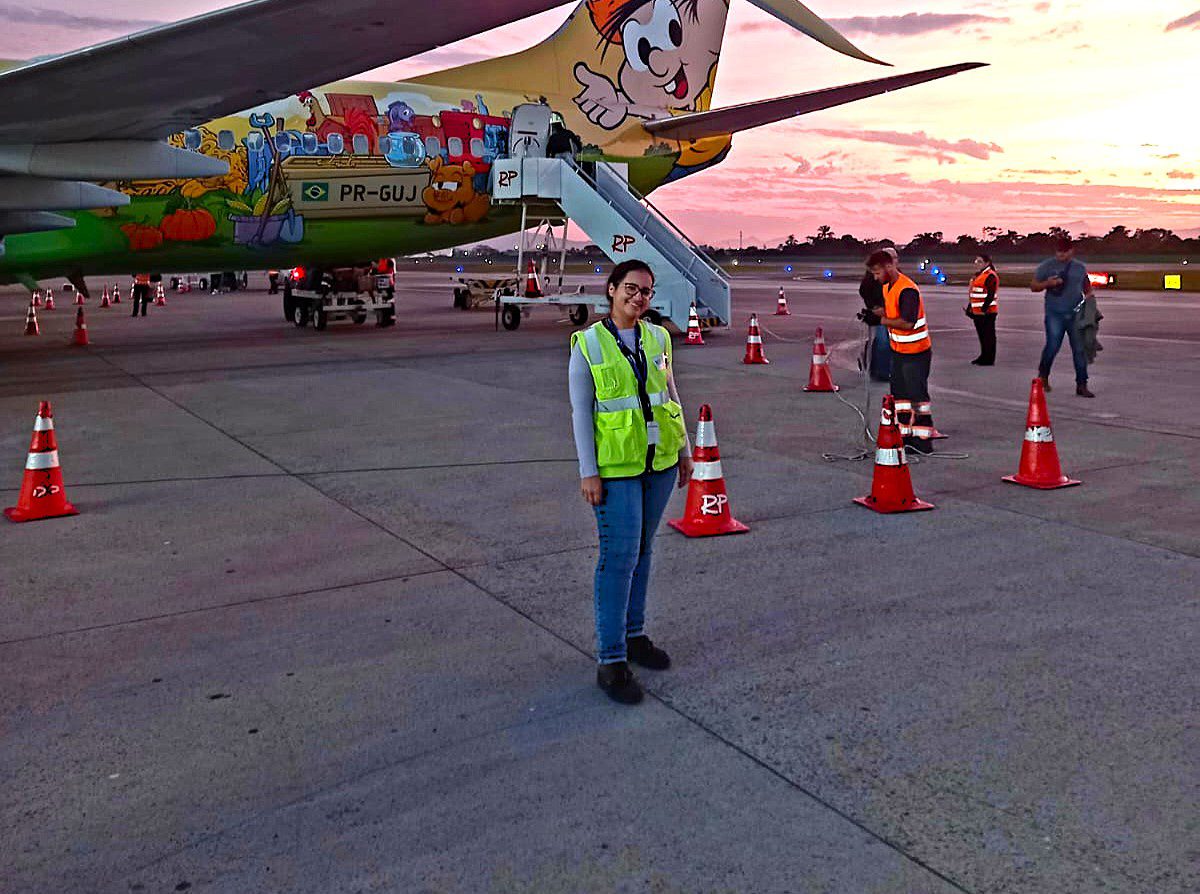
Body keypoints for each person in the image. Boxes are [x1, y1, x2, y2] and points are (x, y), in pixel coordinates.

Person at [569, 259, 692, 705]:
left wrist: (683, 452)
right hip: (616, 469)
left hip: (657, 464)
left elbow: (669, 394)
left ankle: (635, 636)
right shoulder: (588, 344)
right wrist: (589, 471)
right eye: (631, 289)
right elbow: (581, 412)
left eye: (646, 292)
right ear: (611, 290)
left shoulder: (658, 337)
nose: (639, 298)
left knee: (643, 551)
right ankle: (612, 657)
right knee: (618, 557)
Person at [867, 249, 935, 453]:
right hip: (899, 352)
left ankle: (923, 440)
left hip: (916, 353)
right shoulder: (889, 286)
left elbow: (907, 323)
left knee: (917, 398)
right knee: (901, 397)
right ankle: (905, 435)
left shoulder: (907, 289)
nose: (876, 277)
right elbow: (894, 313)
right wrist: (876, 313)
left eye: (878, 273)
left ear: (889, 267)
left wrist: (880, 320)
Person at [1031, 237, 1095, 397]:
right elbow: (1033, 286)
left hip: (1075, 314)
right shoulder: (1047, 266)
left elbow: (1087, 287)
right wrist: (1048, 284)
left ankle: (1082, 384)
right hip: (1055, 313)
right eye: (1058, 252)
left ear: (1071, 251)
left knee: (1079, 350)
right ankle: (1043, 376)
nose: (1060, 255)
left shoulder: (1079, 268)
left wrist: (1090, 306)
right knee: (1052, 346)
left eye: (1063, 252)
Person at [858, 247, 896, 382]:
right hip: (880, 313)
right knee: (882, 341)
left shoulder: (898, 277)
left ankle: (876, 365)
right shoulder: (873, 277)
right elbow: (864, 290)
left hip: (891, 314)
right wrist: (873, 307)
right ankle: (881, 372)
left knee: (888, 342)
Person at [964, 254, 999, 366]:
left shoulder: (990, 275)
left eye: (979, 261)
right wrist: (970, 308)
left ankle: (989, 358)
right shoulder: (980, 275)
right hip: (978, 312)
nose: (977, 263)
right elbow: (975, 294)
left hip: (987, 312)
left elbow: (990, 294)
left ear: (987, 263)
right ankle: (983, 355)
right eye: (976, 261)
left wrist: (984, 309)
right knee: (982, 336)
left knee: (988, 336)